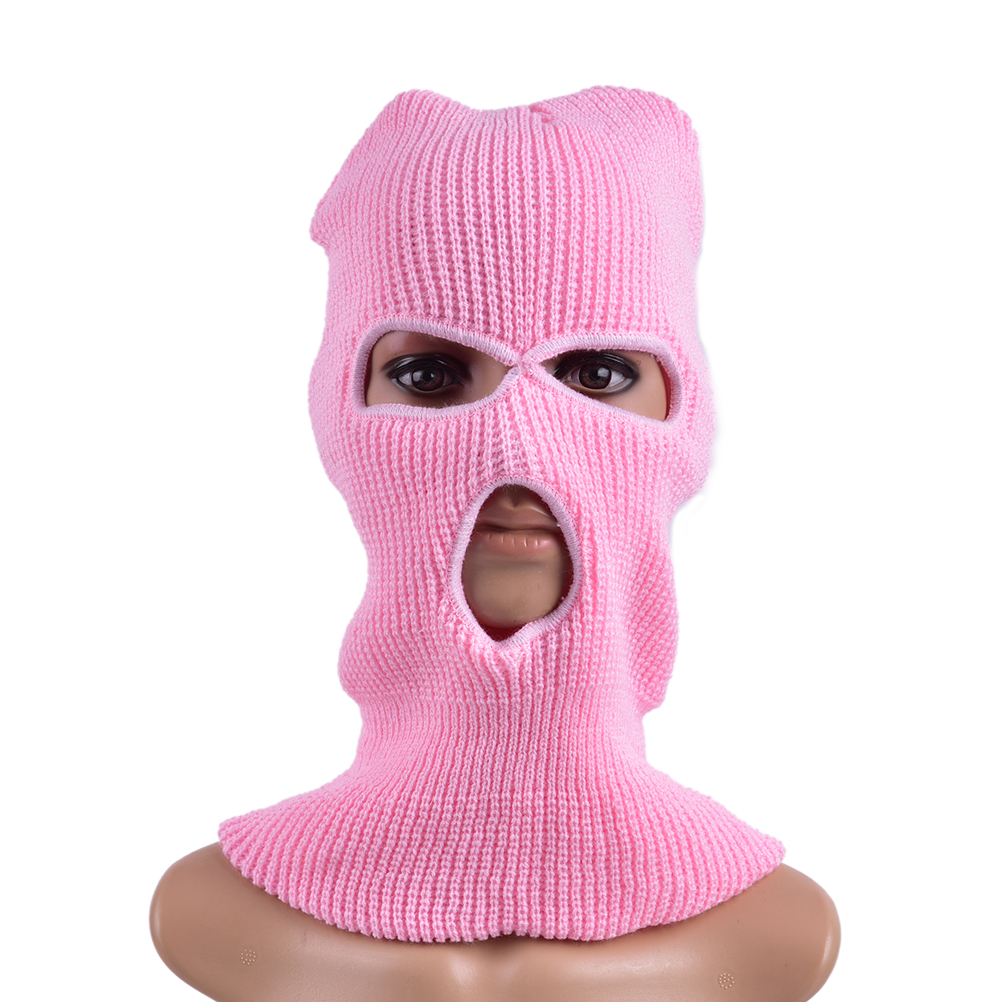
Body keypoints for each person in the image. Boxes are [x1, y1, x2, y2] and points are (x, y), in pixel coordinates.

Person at [151, 87, 839, 1001]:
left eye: (597, 373)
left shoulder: (783, 929)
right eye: (430, 374)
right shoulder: (209, 910)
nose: (516, 444)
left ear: (688, 414)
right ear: (334, 414)